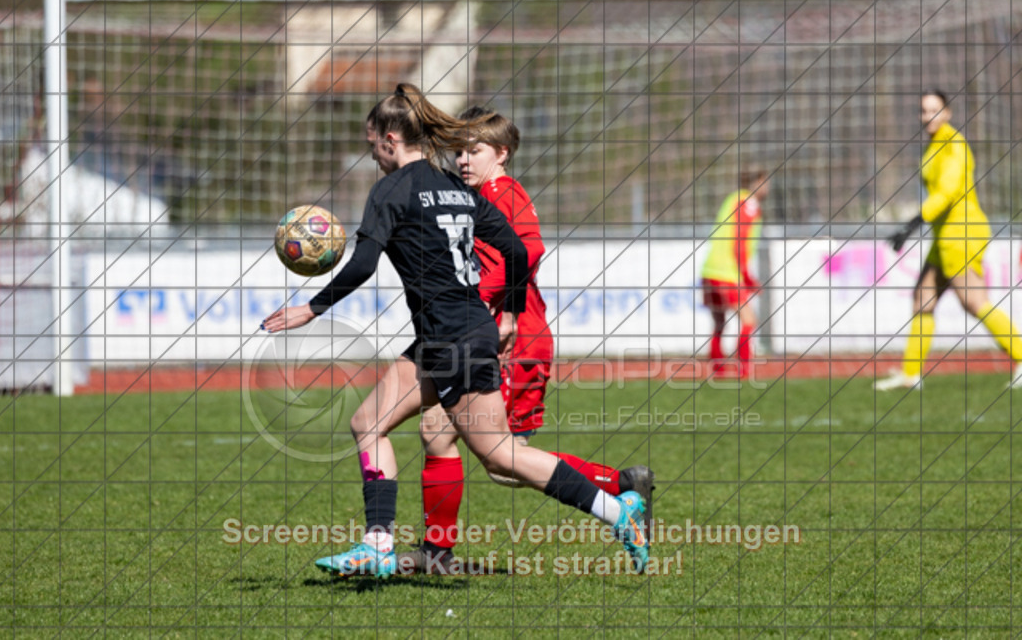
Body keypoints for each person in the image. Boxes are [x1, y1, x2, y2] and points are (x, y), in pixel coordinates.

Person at [262, 84, 650, 578]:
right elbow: (514, 250)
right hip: (448, 335)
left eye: (372, 144)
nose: (374, 155)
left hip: (453, 339)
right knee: (368, 423)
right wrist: (507, 311)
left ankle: (618, 511)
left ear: (389, 139)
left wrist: (312, 309)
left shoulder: (392, 189)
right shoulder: (453, 186)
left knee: (500, 455)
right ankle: (378, 545)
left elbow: (362, 263)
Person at [402, 108, 654, 574]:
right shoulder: (478, 196)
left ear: (502, 153)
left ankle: (620, 490)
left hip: (512, 339)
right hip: (490, 336)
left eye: (474, 150)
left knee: (502, 461)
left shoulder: (503, 192)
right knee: (439, 433)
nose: (463, 159)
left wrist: (487, 303)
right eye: (458, 150)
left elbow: (529, 249)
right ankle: (437, 551)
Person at [876, 90, 1022, 390]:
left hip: (962, 233)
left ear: (948, 113)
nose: (928, 116)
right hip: (944, 235)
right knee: (922, 299)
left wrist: (914, 222)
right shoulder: (934, 144)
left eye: (934, 110)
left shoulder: (953, 144)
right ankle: (910, 374)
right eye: (924, 110)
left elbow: (948, 192)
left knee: (973, 300)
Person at [700, 167, 770, 379]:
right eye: (765, 183)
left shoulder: (733, 199)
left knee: (720, 322)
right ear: (756, 182)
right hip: (727, 272)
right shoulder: (748, 204)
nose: (767, 188)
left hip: (709, 270)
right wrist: (747, 277)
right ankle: (745, 369)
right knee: (749, 320)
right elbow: (739, 240)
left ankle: (717, 367)